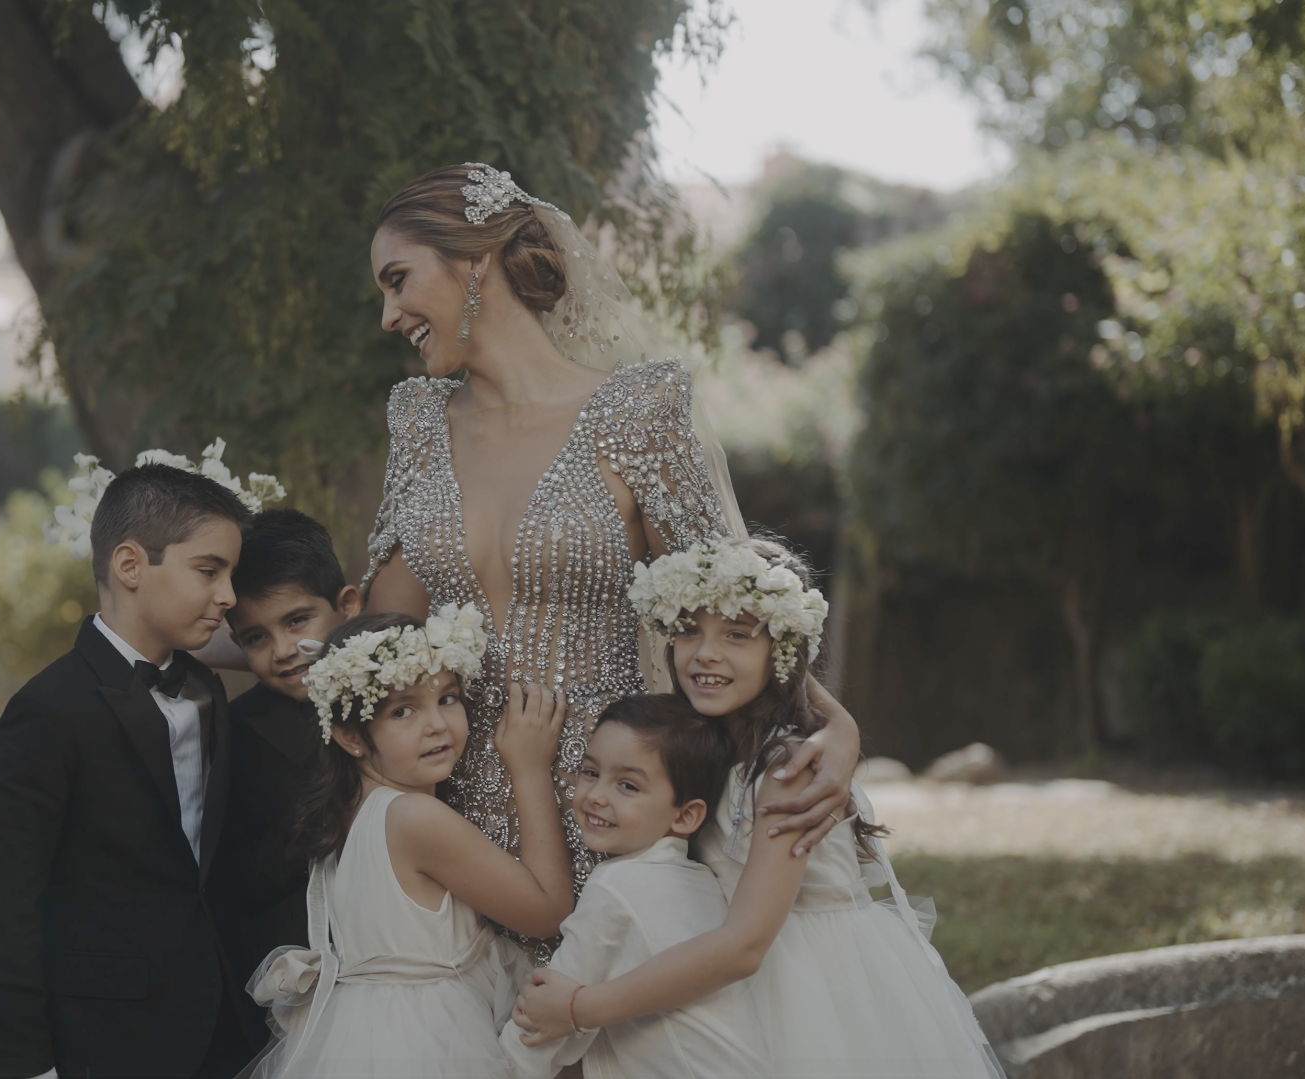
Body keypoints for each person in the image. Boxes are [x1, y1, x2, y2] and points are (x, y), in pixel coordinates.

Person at [361, 164, 864, 933]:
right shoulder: (420, 424)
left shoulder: (634, 413)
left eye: (398, 280)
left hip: (613, 803)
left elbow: (732, 612)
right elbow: (376, 641)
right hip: (454, 817)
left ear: (474, 260)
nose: (389, 315)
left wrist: (838, 727)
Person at [512, 536, 1005, 1078]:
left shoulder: (786, 772)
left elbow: (745, 946)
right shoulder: (707, 746)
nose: (706, 653)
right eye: (688, 630)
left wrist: (581, 1008)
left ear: (783, 649)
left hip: (812, 984)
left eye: (737, 634)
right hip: (741, 976)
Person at [0, 464, 259, 1079]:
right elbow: (4, 907)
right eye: (209, 571)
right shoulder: (48, 711)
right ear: (130, 565)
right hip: (104, 1038)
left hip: (224, 1025)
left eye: (231, 575)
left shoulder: (206, 689)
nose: (229, 596)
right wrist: (26, 1066)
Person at [246, 608, 572, 1079]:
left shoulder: (351, 808)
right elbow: (547, 912)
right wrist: (530, 767)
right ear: (350, 737)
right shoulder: (414, 817)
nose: (436, 724)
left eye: (447, 698)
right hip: (426, 1037)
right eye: (402, 710)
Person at [498, 694, 771, 1079]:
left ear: (686, 816)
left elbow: (539, 1034)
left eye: (627, 785)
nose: (596, 796)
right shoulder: (702, 880)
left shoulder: (616, 885)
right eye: (590, 772)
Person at [216, 508, 364, 985]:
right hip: (312, 965)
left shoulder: (401, 694)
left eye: (297, 621)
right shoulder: (238, 730)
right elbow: (240, 874)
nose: (281, 650)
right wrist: (329, 818)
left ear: (347, 606)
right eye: (256, 637)